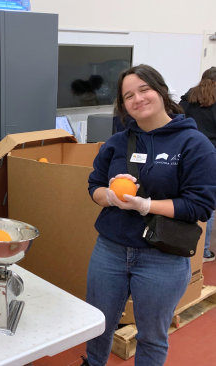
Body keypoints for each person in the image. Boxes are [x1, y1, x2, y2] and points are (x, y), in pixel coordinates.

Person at [82, 64, 216, 366]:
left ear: (161, 90)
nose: (138, 99)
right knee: (97, 325)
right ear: (123, 104)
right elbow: (94, 186)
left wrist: (146, 205)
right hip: (110, 250)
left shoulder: (194, 144)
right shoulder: (117, 142)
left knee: (152, 335)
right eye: (128, 95)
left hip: (163, 257)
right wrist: (110, 198)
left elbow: (199, 206)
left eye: (144, 89)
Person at [179, 66, 216, 262]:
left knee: (187, 199)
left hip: (183, 154)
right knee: (206, 203)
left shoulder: (185, 101)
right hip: (210, 156)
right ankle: (203, 251)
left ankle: (183, 244)